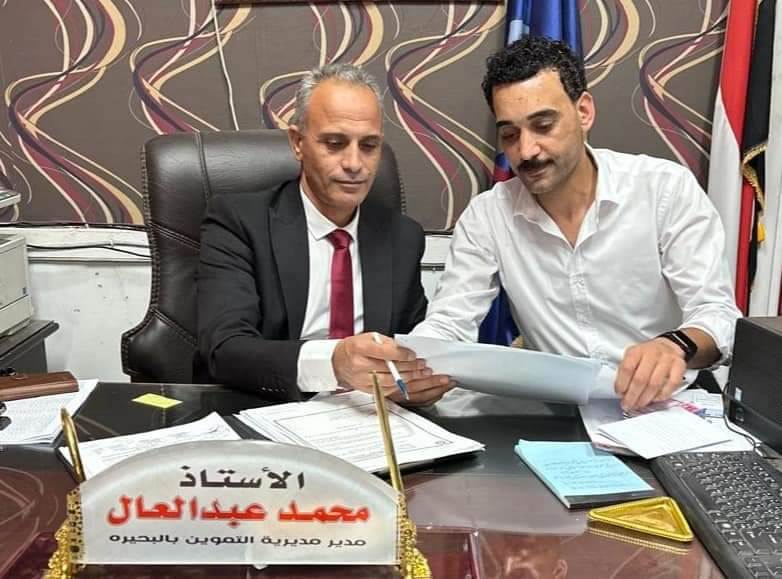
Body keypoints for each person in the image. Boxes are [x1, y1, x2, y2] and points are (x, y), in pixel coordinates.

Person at [413, 36, 741, 411]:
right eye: (510, 134)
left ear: (583, 112)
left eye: (543, 125)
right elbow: (449, 322)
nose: (526, 151)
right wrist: (413, 361)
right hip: (558, 410)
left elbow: (717, 314)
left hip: (666, 405)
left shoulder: (664, 189)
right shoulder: (487, 216)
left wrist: (674, 345)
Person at [197, 63, 452, 404]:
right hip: (270, 406)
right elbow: (224, 349)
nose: (354, 164)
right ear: (297, 143)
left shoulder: (402, 237)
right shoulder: (239, 222)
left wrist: (417, 382)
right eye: (335, 143)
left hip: (368, 415)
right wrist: (332, 363)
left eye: (369, 146)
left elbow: (411, 345)